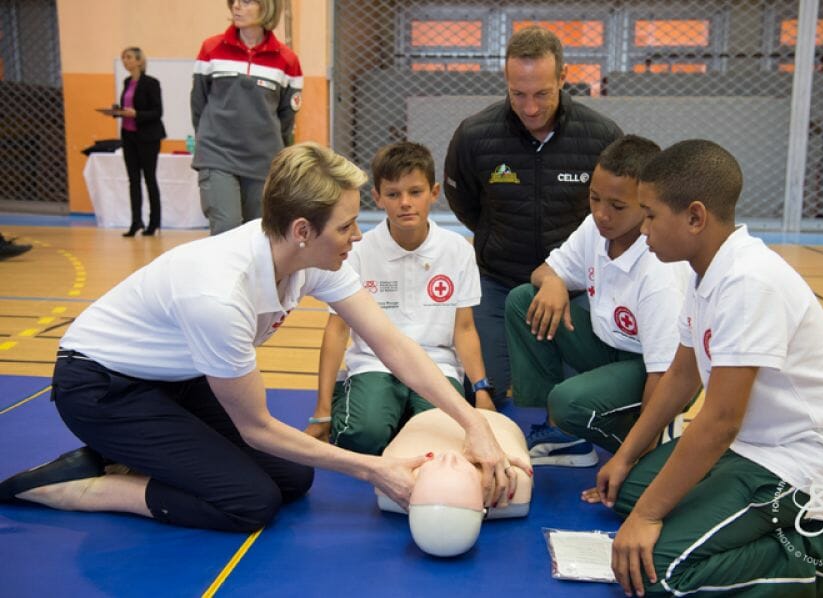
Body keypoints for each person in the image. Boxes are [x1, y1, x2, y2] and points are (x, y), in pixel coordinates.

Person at [0, 142, 528, 533]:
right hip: (103, 388)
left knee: (294, 481)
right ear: (303, 230)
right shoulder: (218, 295)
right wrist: (375, 469)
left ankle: (133, 452)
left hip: (174, 378)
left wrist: (472, 423)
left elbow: (392, 344)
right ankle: (88, 487)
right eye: (346, 225)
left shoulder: (309, 256)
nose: (359, 235)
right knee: (249, 503)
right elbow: (256, 428)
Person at [582, 140, 823, 597]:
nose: (643, 230)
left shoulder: (749, 282)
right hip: (752, 448)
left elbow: (721, 421)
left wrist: (648, 517)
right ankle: (758, 530)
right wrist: (626, 456)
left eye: (650, 214)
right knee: (628, 492)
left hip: (802, 464)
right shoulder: (704, 270)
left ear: (695, 217)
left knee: (655, 571)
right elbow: (682, 377)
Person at [444, 25, 622, 407]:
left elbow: (616, 217)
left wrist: (566, 271)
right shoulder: (474, 135)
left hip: (575, 285)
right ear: (506, 81)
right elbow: (465, 203)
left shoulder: (602, 137)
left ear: (563, 77)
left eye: (542, 93)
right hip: (498, 281)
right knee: (487, 390)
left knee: (573, 397)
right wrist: (496, 236)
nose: (530, 108)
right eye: (517, 94)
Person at [506, 136, 688, 467]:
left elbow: (666, 375)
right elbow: (543, 272)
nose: (602, 214)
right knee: (524, 301)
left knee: (568, 401)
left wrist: (633, 458)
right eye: (594, 198)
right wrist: (553, 283)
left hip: (654, 371)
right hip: (609, 348)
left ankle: (655, 447)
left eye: (617, 206)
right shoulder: (595, 228)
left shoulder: (659, 270)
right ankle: (564, 433)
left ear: (648, 202)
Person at [308, 142, 495, 455]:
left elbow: (464, 330)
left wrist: (481, 391)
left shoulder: (458, 249)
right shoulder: (357, 250)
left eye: (415, 192)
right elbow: (337, 329)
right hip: (374, 363)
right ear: (377, 198)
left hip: (436, 364)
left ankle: (404, 411)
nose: (405, 203)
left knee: (443, 443)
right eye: (393, 194)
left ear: (434, 192)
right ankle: (358, 398)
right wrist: (322, 410)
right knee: (360, 438)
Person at [191, 0, 303, 235]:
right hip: (217, 155)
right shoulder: (211, 49)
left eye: (247, 2)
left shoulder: (288, 60)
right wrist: (206, 140)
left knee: (257, 234)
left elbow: (286, 118)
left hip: (263, 160)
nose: (236, 8)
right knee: (226, 226)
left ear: (267, 7)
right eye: (235, 2)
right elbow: (198, 104)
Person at [378, 409, 533, 557]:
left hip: (425, 417)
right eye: (463, 470)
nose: (450, 455)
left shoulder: (396, 475)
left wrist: (372, 468)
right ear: (482, 510)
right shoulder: (510, 479)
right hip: (493, 420)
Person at [110, 47, 166, 237]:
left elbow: (157, 112)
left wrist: (137, 114)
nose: (125, 61)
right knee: (133, 180)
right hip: (129, 136)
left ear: (140, 61)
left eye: (129, 57)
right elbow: (127, 106)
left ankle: (154, 222)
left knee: (149, 179)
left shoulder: (151, 83)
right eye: (123, 57)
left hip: (148, 137)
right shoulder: (127, 82)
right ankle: (136, 222)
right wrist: (118, 112)